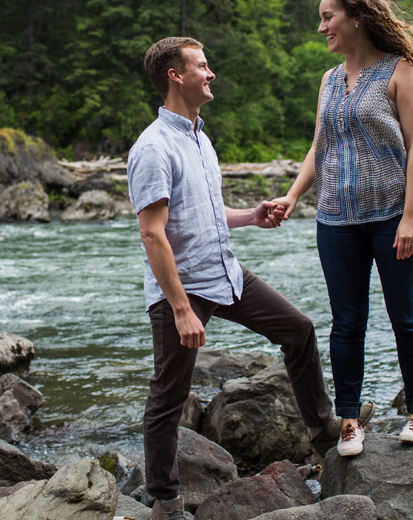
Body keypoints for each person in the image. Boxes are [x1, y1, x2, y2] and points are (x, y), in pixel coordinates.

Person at [128, 36, 341, 520]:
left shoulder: (200, 138)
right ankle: (165, 500)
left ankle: (323, 432)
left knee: (299, 329)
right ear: (175, 76)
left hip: (224, 271)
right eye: (202, 66)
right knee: (169, 395)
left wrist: (251, 216)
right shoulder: (153, 148)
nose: (212, 73)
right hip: (182, 288)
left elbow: (203, 211)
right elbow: (152, 235)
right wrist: (181, 308)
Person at [274, 0, 413, 457]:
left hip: (396, 216)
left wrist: (411, 215)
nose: (321, 25)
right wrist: (291, 197)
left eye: (328, 16)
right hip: (335, 219)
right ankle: (349, 423)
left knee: (405, 317)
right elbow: (319, 146)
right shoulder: (329, 80)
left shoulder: (400, 71)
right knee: (346, 323)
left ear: (357, 17)